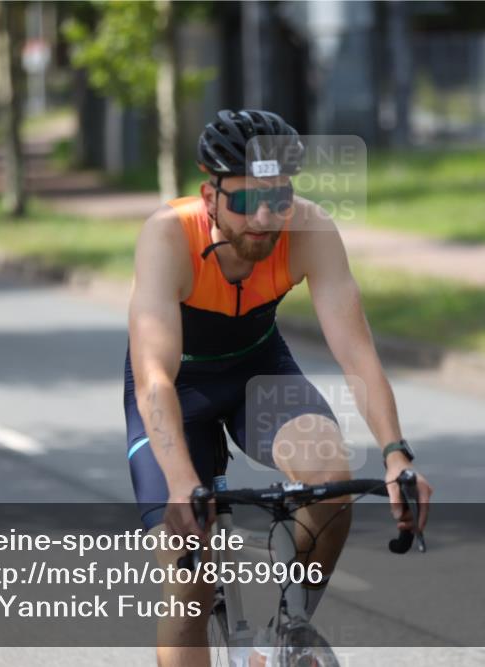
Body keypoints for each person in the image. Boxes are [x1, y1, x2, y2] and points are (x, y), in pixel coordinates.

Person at [125, 109, 434, 667]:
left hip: (257, 370)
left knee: (331, 480)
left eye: (280, 198)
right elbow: (154, 376)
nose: (266, 218)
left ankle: (285, 634)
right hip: (179, 388)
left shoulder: (309, 229)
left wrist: (395, 455)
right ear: (209, 195)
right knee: (190, 577)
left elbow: (357, 352)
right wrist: (180, 483)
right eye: (245, 202)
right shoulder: (167, 236)